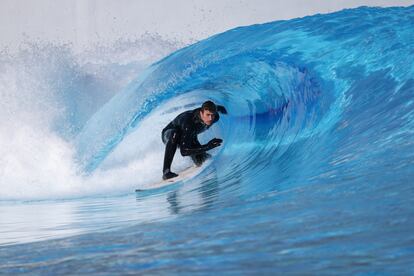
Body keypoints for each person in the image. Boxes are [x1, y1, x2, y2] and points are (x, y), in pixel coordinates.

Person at [161, 100, 228, 180]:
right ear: (201, 113)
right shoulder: (190, 123)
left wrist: (224, 110)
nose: (210, 118)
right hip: (170, 134)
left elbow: (217, 108)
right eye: (208, 115)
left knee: (203, 160)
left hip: (189, 135)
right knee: (175, 134)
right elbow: (184, 151)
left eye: (212, 115)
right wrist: (208, 146)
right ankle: (166, 172)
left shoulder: (215, 117)